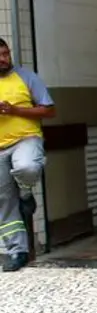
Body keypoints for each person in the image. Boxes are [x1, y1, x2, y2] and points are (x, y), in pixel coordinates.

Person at [0, 38, 55, 272]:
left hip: (26, 138)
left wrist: (15, 110)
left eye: (5, 54)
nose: (3, 59)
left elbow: (49, 110)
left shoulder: (27, 77)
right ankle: (17, 252)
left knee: (27, 168)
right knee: (4, 202)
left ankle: (25, 192)